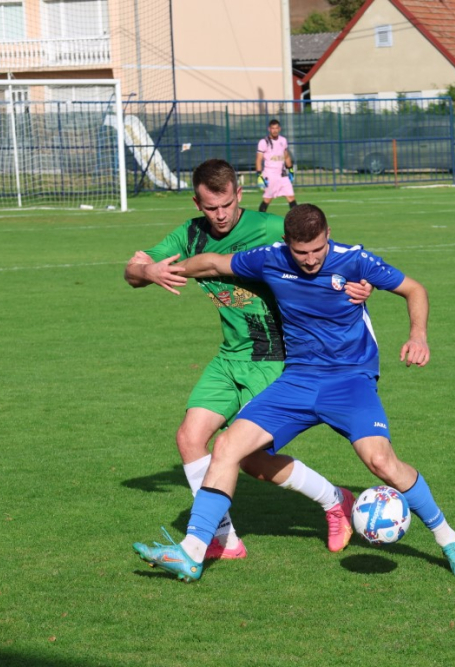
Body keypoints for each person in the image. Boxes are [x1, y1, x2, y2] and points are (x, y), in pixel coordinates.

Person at [133, 203, 455, 582]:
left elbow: (414, 290)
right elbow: (215, 263)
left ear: (328, 234)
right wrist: (163, 270)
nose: (311, 259)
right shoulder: (270, 258)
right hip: (297, 380)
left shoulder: (355, 261)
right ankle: (192, 552)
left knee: (381, 463)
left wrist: (418, 336)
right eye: (301, 253)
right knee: (228, 447)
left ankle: (450, 541)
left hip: (350, 381)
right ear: (287, 244)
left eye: (318, 249)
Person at [124, 159, 372, 560]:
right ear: (197, 202)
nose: (219, 215)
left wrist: (359, 288)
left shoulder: (272, 229)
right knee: (190, 437)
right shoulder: (190, 235)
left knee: (252, 461)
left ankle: (334, 500)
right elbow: (132, 270)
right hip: (230, 356)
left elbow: (327, 257)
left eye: (226, 204)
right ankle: (223, 540)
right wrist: (148, 270)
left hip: (275, 357)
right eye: (210, 207)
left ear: (239, 194)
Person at [254, 119, 296, 213]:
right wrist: (259, 176)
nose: (275, 130)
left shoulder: (283, 140)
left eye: (276, 128)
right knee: (267, 199)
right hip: (270, 175)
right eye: (273, 128)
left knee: (291, 197)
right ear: (269, 129)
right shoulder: (264, 142)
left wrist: (291, 171)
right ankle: (260, 220)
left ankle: (295, 222)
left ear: (279, 129)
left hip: (282, 174)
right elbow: (258, 160)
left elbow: (286, 156)